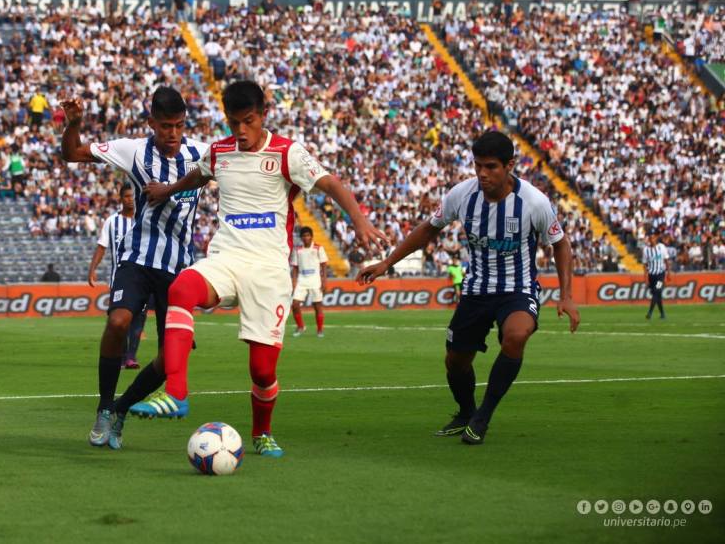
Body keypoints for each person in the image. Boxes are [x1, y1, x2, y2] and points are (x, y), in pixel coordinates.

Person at [133, 80, 385, 459]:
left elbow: (331, 183)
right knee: (182, 288)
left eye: (248, 121)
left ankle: (262, 432)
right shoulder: (219, 152)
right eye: (233, 123)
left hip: (269, 270)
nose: (240, 132)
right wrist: (167, 190)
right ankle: (176, 392)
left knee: (262, 371)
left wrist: (359, 220)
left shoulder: (287, 153)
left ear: (263, 115)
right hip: (228, 257)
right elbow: (196, 177)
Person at [357, 131, 581, 445]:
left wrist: (567, 295)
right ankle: (466, 412)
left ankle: (482, 418)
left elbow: (561, 244)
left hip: (517, 288)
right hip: (475, 290)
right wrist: (387, 262)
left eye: (491, 167)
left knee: (516, 336)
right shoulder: (462, 195)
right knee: (455, 361)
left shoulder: (533, 202)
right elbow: (427, 230)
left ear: (510, 165)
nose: (482, 174)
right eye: (478, 166)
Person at [60, 85, 208, 451]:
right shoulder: (133, 150)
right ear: (151, 123)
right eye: (164, 127)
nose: (172, 134)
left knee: (169, 358)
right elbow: (73, 154)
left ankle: (122, 409)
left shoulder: (202, 153)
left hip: (179, 269)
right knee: (118, 322)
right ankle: (104, 407)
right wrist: (73, 124)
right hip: (138, 258)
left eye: (177, 125)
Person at [88, 184, 148, 369]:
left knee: (139, 319)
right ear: (121, 198)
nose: (130, 199)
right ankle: (122, 356)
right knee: (119, 320)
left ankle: (131, 356)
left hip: (143, 279)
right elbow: (102, 246)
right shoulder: (112, 221)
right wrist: (92, 269)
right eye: (127, 196)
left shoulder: (144, 219)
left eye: (132, 196)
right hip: (119, 279)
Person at [290, 226, 328, 337]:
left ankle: (320, 330)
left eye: (308, 235)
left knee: (317, 306)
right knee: (295, 304)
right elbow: (295, 267)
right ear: (301, 238)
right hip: (302, 279)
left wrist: (324, 281)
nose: (306, 237)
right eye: (304, 236)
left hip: (315, 279)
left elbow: (324, 265)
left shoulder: (318, 248)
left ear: (311, 236)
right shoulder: (298, 250)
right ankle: (301, 326)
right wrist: (294, 281)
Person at [642, 232, 670, 320]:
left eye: (653, 238)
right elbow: (645, 265)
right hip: (651, 276)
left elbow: (666, 261)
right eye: (650, 238)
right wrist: (645, 278)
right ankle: (662, 314)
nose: (652, 240)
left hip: (660, 275)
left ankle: (650, 313)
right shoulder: (646, 250)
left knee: (656, 291)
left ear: (656, 239)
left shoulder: (661, 247)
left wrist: (668, 273)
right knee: (658, 294)